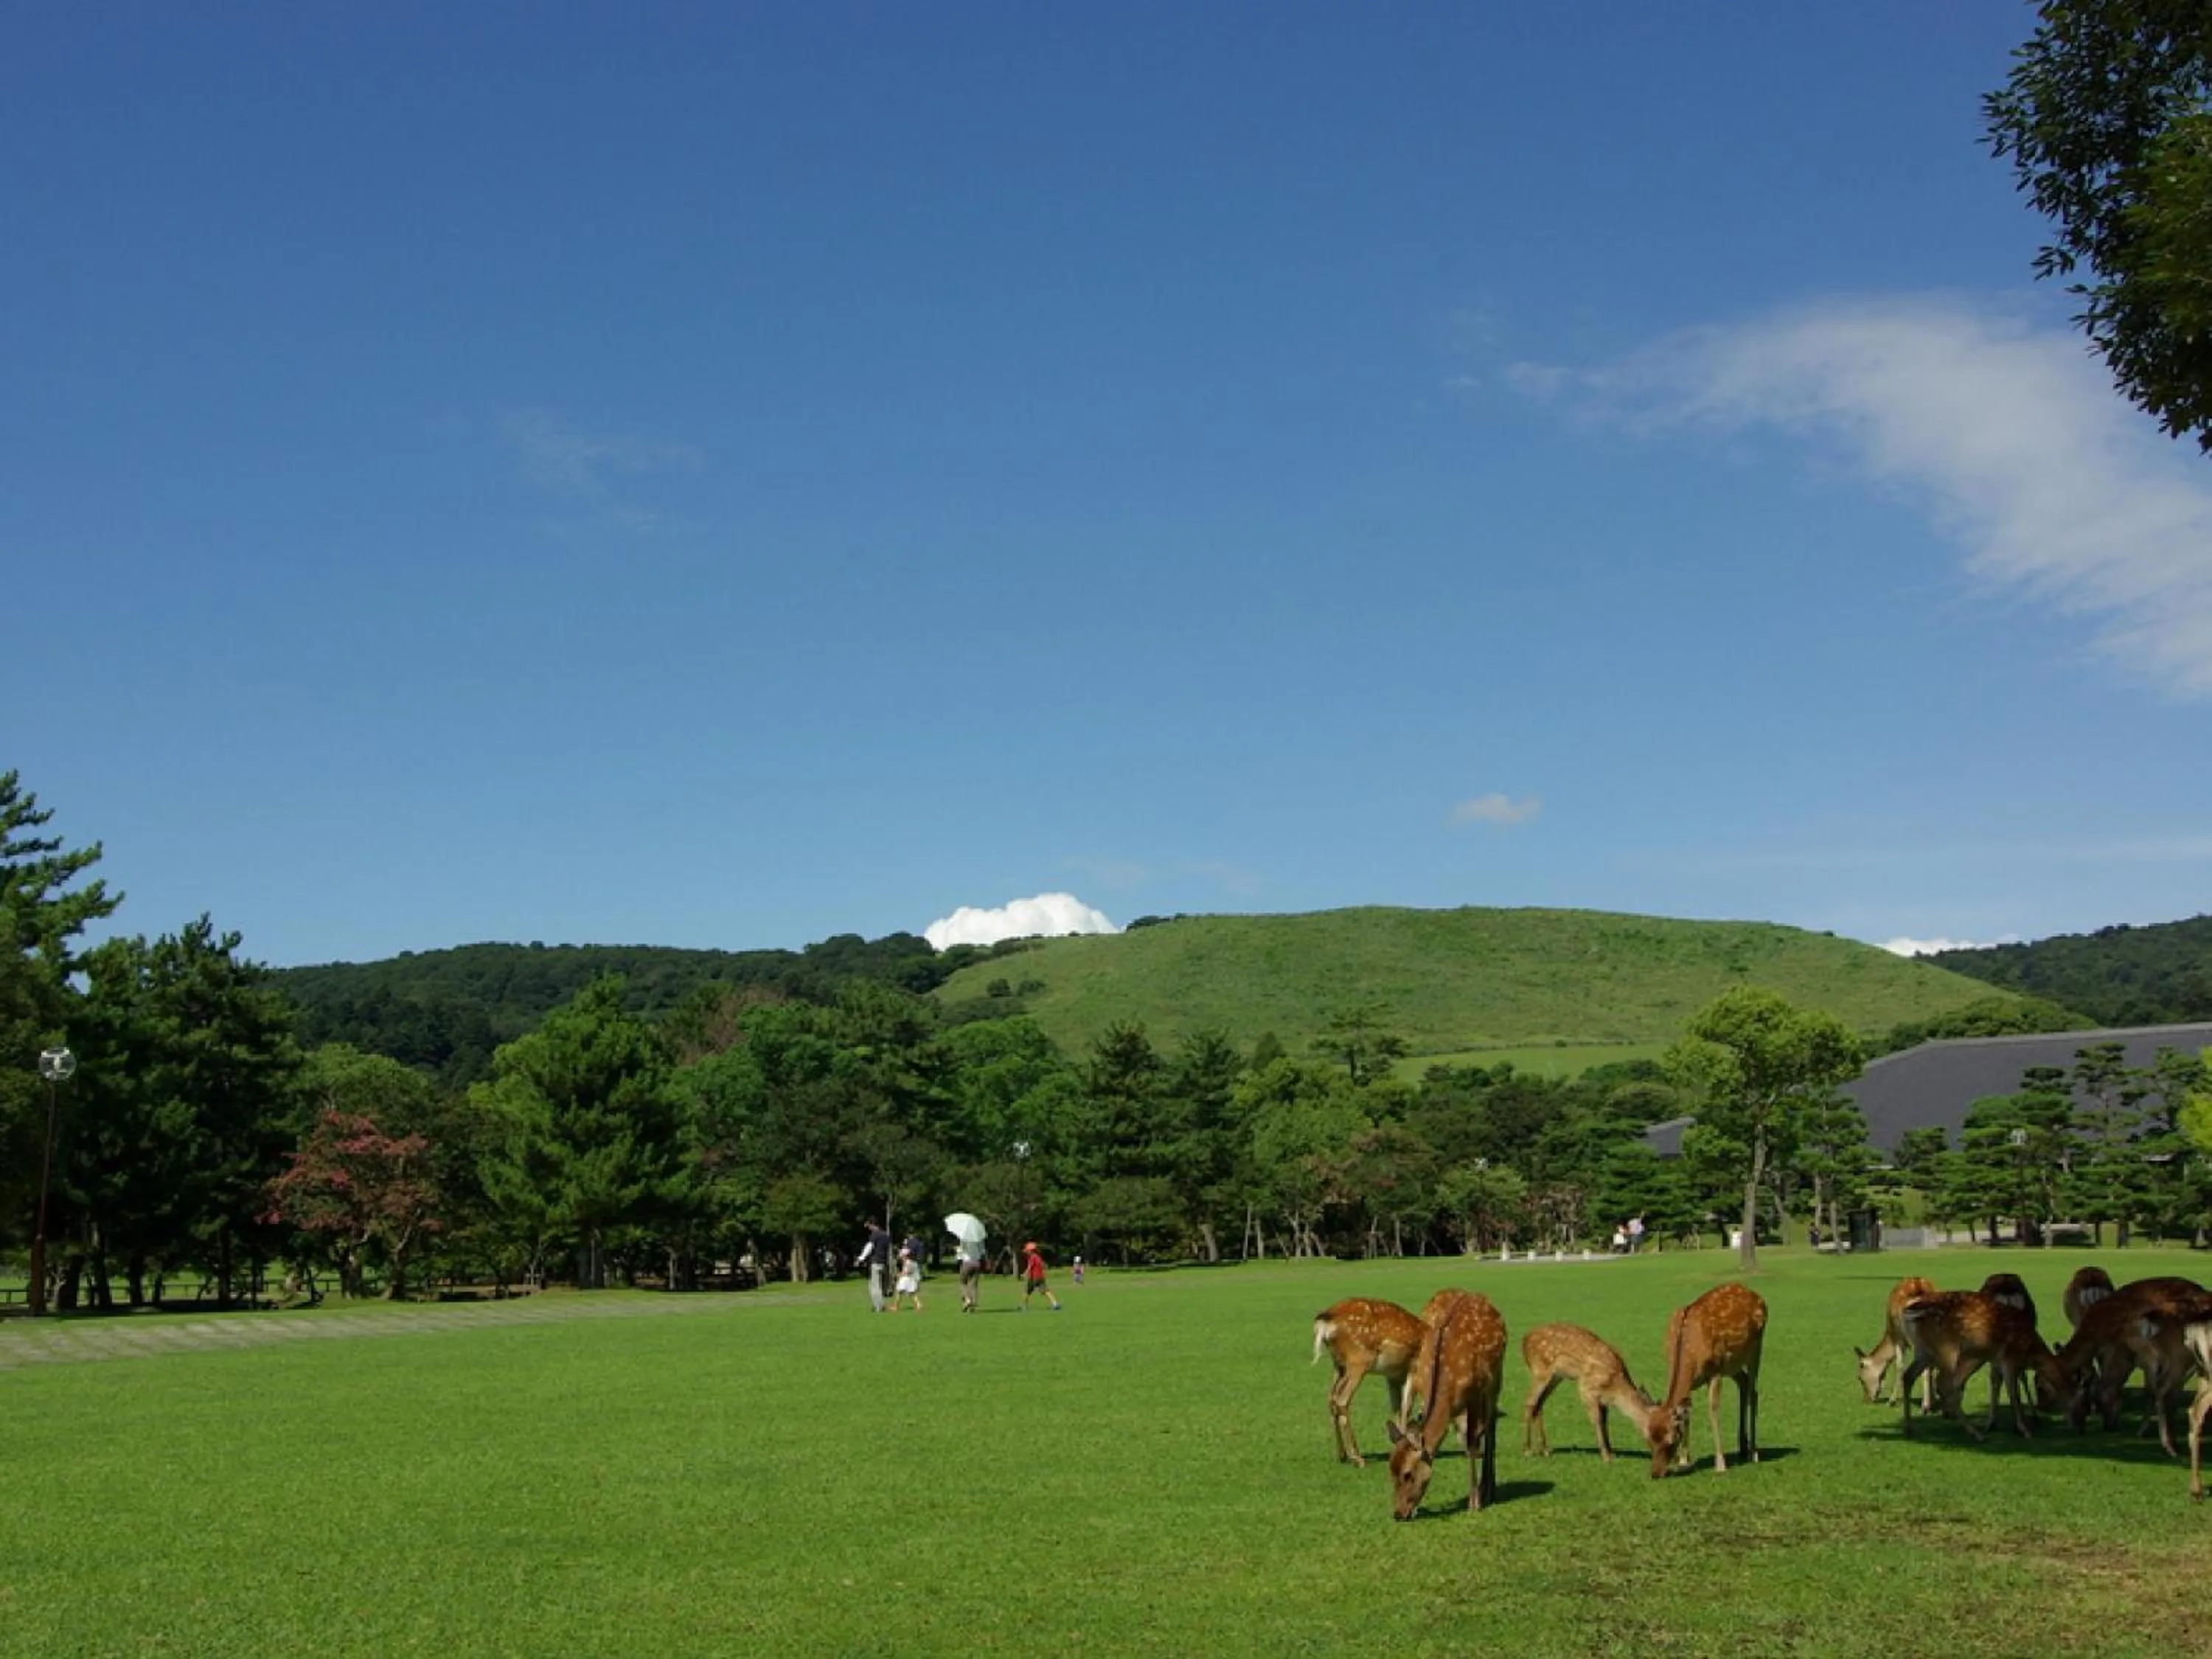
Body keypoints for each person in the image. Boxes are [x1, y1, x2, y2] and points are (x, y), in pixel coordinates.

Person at [858, 1218, 893, 1313]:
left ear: (874, 1225)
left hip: (876, 1262)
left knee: (874, 1287)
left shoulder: (875, 1235)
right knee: (881, 1287)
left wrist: (861, 1258)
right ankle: (881, 1305)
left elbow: (869, 1247)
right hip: (884, 1263)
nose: (869, 1228)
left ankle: (878, 1307)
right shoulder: (886, 1235)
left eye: (869, 1226)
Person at [1019, 1240, 1062, 1312]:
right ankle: (1055, 1304)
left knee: (1026, 1291)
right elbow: (1043, 1265)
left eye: (1028, 1250)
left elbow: (1030, 1266)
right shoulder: (1038, 1257)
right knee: (1046, 1291)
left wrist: (1025, 1273)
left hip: (1033, 1278)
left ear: (1031, 1251)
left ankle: (1024, 1306)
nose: (1027, 1252)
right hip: (1040, 1277)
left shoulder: (1032, 1257)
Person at [956, 1231, 985, 1313]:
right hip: (977, 1263)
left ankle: (967, 1300)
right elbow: (982, 1251)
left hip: (967, 1262)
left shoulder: (964, 1238)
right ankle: (971, 1306)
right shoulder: (979, 1238)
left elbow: (961, 1251)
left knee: (962, 1283)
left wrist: (958, 1249)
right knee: (973, 1285)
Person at [893, 1245, 924, 1312]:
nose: (901, 1257)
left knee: (899, 1293)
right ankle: (918, 1305)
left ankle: (895, 1307)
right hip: (911, 1279)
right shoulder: (912, 1262)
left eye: (902, 1256)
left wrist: (899, 1275)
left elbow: (906, 1272)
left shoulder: (907, 1262)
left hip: (905, 1279)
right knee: (912, 1294)